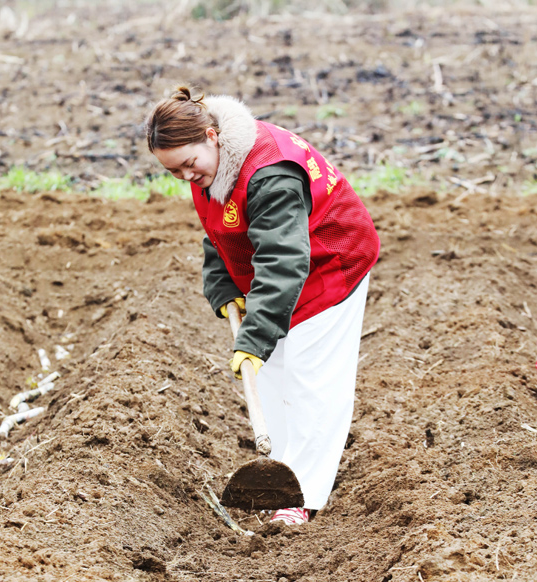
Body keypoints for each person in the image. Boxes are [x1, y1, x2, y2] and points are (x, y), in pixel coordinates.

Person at [146, 86, 379, 525]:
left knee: (312, 379)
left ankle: (302, 498)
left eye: (188, 165)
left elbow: (284, 259)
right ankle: (281, 477)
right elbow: (218, 231)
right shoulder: (209, 168)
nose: (184, 177)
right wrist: (222, 285)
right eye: (173, 171)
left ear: (212, 136)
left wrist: (254, 335)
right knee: (269, 370)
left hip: (328, 263)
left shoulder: (269, 173)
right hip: (281, 267)